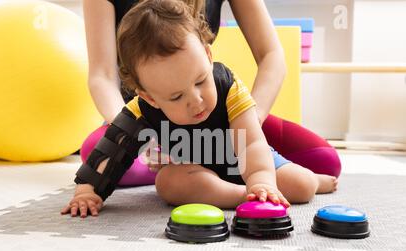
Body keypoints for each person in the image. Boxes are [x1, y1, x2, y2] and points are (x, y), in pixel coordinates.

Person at [61, 0, 337, 218]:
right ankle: (240, 196)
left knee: (300, 186)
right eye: (177, 96)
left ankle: (315, 180)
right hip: (193, 167)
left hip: (240, 156)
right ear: (151, 98)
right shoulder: (142, 108)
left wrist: (261, 180)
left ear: (207, 55)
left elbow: (252, 145)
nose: (196, 100)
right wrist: (87, 192)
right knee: (169, 183)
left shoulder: (228, 87)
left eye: (201, 81)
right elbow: (110, 151)